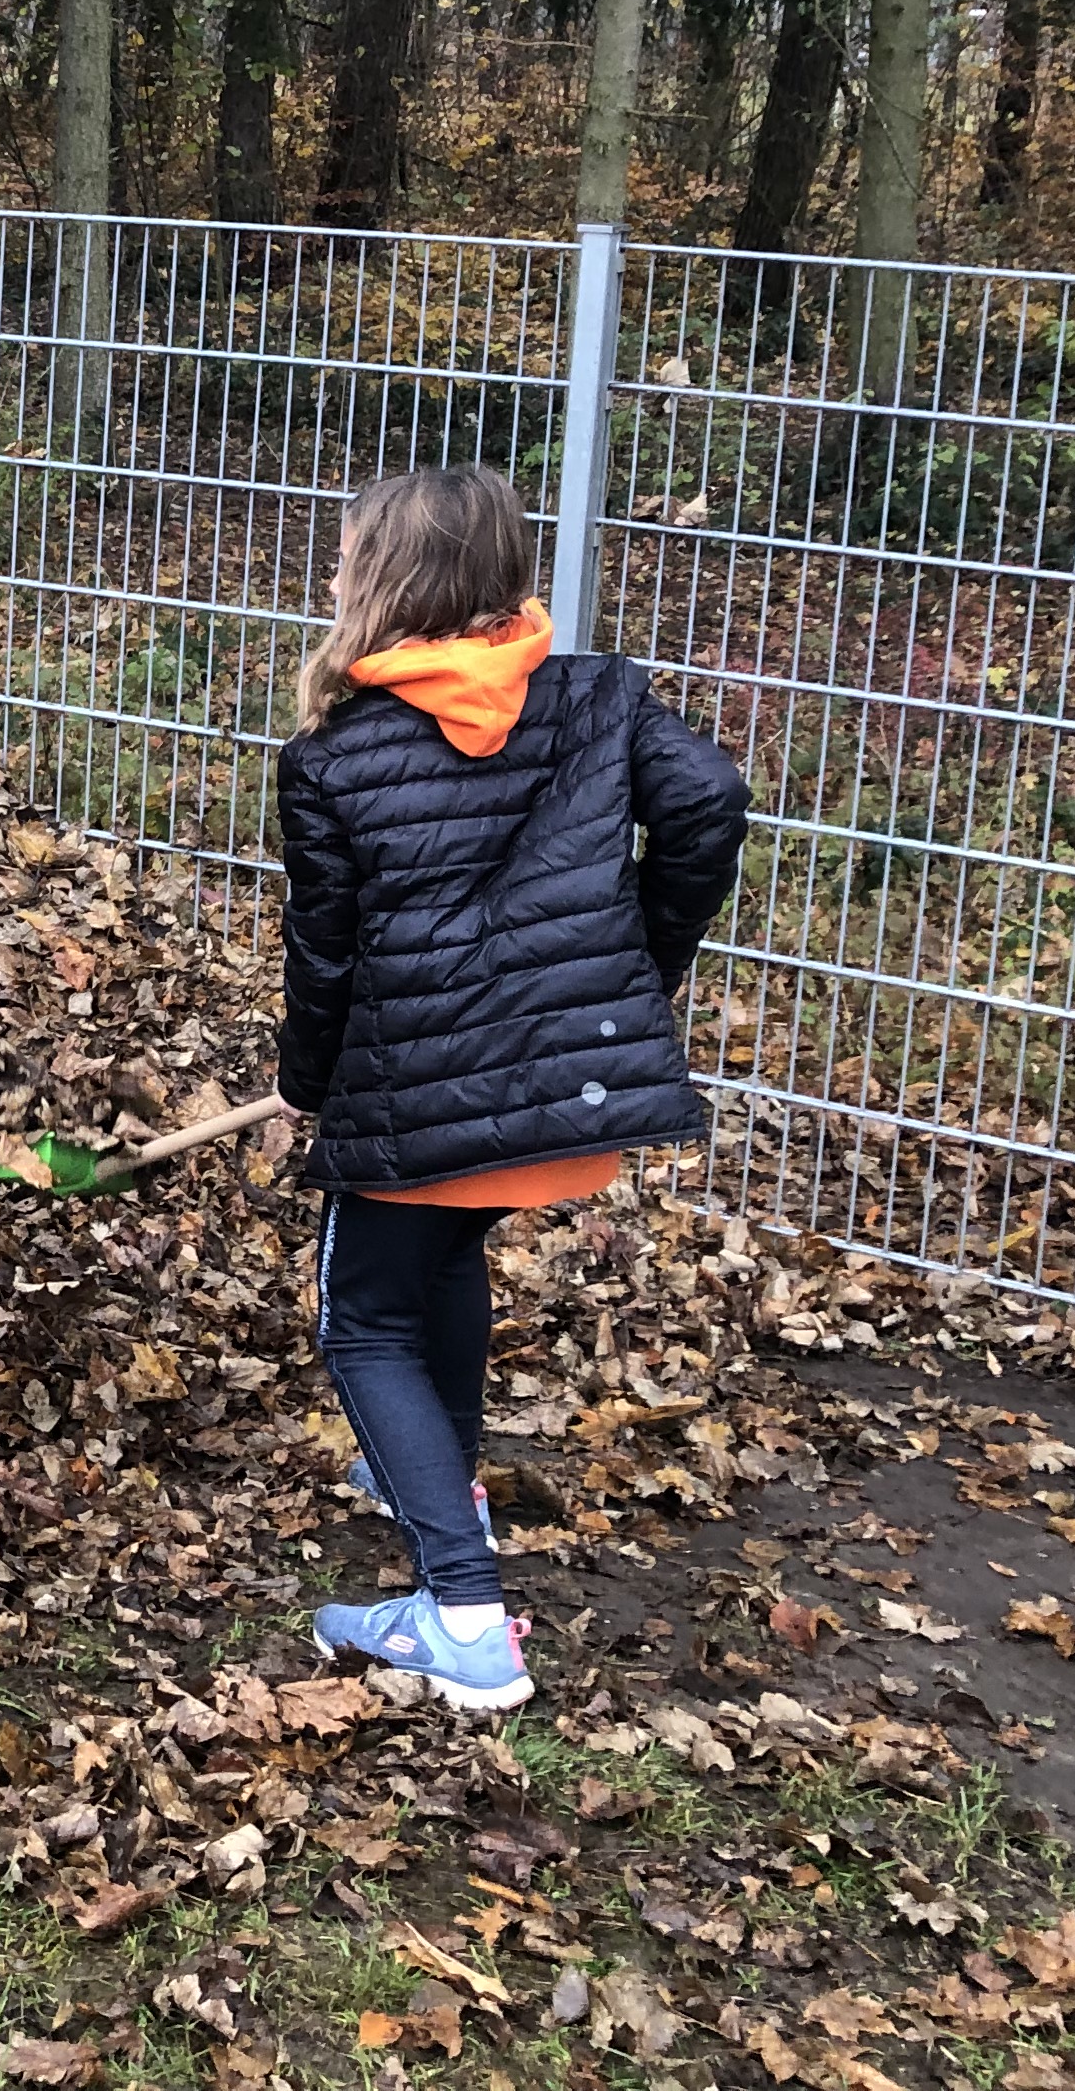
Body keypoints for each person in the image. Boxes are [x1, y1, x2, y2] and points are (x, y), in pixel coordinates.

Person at [275, 464, 748, 1712]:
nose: (328, 579)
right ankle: (443, 1473)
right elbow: (713, 804)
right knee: (443, 1258)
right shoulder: (597, 696)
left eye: (344, 559)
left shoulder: (334, 753)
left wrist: (306, 1083)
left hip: (418, 1103)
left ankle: (465, 1618)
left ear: (387, 583)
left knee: (360, 1320)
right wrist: (637, 964)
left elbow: (325, 949)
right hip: (557, 1104)